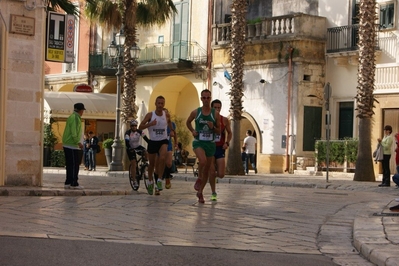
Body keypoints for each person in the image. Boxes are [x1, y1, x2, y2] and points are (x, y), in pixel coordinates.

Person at [186, 89, 220, 203]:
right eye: (204, 98)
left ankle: (200, 192)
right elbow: (188, 122)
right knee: (203, 161)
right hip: (198, 142)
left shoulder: (215, 114)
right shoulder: (196, 112)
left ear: (210, 99)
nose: (206, 100)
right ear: (201, 99)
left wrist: (213, 127)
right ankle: (199, 177)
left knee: (207, 171)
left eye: (208, 98)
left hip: (210, 144)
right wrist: (192, 131)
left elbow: (219, 131)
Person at [139, 96, 174, 195]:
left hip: (163, 140)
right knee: (152, 164)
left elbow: (170, 123)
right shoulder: (150, 115)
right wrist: (150, 124)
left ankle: (159, 180)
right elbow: (140, 126)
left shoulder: (166, 115)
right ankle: (150, 181)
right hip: (153, 141)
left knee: (162, 158)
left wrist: (171, 130)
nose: (160, 105)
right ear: (155, 103)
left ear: (164, 104)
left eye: (162, 103)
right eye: (158, 103)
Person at [208, 99, 232, 201]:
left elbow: (230, 133)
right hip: (209, 147)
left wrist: (227, 143)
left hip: (219, 148)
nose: (217, 109)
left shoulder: (224, 120)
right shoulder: (207, 119)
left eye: (219, 107)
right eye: (215, 107)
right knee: (212, 171)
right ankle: (213, 192)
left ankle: (210, 177)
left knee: (221, 174)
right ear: (211, 108)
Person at [62, 103, 85, 189]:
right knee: (75, 164)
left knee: (69, 164)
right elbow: (74, 131)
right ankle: (74, 182)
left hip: (67, 144)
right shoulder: (76, 118)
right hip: (72, 144)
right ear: (81, 111)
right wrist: (78, 142)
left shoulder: (71, 116)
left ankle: (68, 181)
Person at [124, 119, 149, 191]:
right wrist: (129, 147)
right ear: (130, 126)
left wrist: (150, 143)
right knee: (134, 163)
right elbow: (127, 142)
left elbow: (146, 138)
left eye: (135, 126)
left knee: (145, 151)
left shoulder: (140, 132)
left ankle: (144, 164)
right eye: (132, 126)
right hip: (130, 148)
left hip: (137, 146)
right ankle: (134, 180)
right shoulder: (127, 133)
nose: (134, 127)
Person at [161, 116, 177, 189]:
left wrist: (176, 143)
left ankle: (167, 176)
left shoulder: (172, 124)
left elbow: (174, 133)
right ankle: (160, 178)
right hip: (159, 144)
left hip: (168, 144)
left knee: (169, 163)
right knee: (161, 162)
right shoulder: (158, 123)